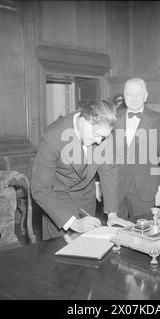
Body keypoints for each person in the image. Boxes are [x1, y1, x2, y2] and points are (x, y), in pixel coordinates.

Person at [31, 99, 132, 239]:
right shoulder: (53, 137)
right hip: (57, 203)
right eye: (97, 136)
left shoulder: (103, 133)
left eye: (104, 137)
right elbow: (41, 190)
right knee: (60, 254)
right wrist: (74, 223)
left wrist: (112, 214)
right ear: (84, 123)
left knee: (87, 251)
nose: (99, 141)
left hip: (85, 200)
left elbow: (109, 172)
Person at [115, 78, 160, 218]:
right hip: (115, 187)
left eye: (138, 94)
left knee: (144, 232)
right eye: (129, 94)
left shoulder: (158, 119)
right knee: (115, 231)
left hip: (146, 188)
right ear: (124, 96)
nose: (133, 98)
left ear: (145, 96)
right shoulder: (114, 118)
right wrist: (98, 182)